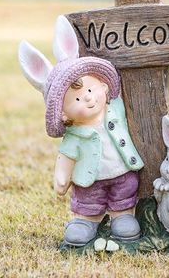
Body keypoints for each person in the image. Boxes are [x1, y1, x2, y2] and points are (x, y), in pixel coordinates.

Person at [18, 15, 144, 247]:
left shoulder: (115, 109)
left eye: (89, 88)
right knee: (89, 200)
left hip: (123, 173)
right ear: (64, 115)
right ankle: (87, 221)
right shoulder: (74, 135)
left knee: (123, 194)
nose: (87, 97)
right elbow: (67, 156)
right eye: (76, 98)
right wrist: (61, 176)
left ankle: (123, 215)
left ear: (104, 87)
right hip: (90, 181)